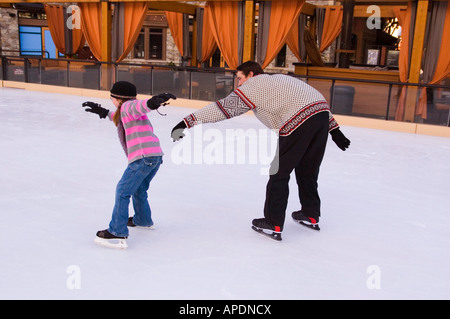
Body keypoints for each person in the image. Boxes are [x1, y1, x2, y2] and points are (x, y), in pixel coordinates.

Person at [171, 61, 350, 241]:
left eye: (240, 78)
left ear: (250, 74)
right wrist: (334, 130)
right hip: (320, 116)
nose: (239, 84)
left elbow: (223, 108)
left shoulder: (254, 85)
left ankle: (273, 223)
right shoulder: (281, 79)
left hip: (298, 122)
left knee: (278, 173)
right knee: (307, 171)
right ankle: (311, 215)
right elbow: (312, 97)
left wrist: (187, 122)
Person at [82, 81, 175, 249]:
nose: (111, 101)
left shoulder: (128, 107)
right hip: (154, 156)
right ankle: (142, 219)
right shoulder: (125, 111)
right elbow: (121, 116)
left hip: (143, 157)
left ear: (118, 99)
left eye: (111, 98)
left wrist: (152, 102)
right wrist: (103, 112)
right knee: (139, 189)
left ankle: (117, 231)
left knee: (123, 191)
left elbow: (139, 106)